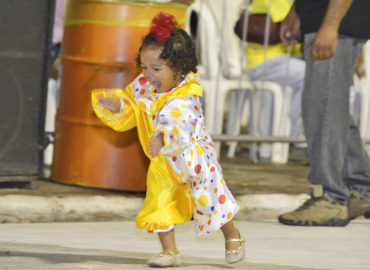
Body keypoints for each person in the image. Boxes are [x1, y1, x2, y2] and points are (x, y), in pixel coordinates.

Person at [91, 13, 245, 267]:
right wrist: (117, 103)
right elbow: (132, 106)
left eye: (156, 69)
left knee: (208, 199)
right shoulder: (142, 85)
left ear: (180, 68)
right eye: (143, 66)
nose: (148, 74)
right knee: (160, 200)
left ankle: (232, 235)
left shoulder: (188, 92)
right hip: (163, 161)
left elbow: (179, 120)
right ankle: (169, 251)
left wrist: (162, 136)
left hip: (194, 160)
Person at [278, 0, 370, 226]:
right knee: (331, 108)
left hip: (336, 21)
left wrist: (330, 25)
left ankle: (330, 197)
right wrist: (298, 8)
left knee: (322, 108)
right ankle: (362, 190)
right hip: (329, 19)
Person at [239, 0, 306, 161]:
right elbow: (292, 33)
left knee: (312, 74)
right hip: (265, 62)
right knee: (309, 77)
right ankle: (297, 141)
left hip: (283, 60)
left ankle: (297, 138)